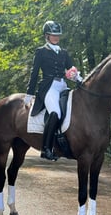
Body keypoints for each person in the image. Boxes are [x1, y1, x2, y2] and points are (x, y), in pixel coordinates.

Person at [24, 21, 82, 161]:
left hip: (62, 86)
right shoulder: (41, 52)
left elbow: (71, 69)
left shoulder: (64, 53)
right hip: (49, 87)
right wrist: (29, 94)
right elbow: (34, 73)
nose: (56, 37)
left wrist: (79, 79)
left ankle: (64, 143)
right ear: (46, 36)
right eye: (53, 35)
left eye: (57, 35)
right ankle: (46, 148)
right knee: (55, 112)